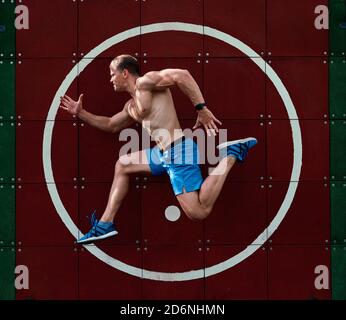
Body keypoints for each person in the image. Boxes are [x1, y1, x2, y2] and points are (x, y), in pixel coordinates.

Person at [59, 54, 257, 244]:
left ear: (125, 73)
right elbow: (111, 124)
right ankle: (105, 224)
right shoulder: (130, 105)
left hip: (178, 150)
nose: (110, 79)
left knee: (198, 212)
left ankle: (230, 154)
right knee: (123, 164)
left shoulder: (146, 83)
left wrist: (201, 109)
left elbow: (182, 75)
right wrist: (81, 113)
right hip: (163, 154)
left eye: (112, 73)